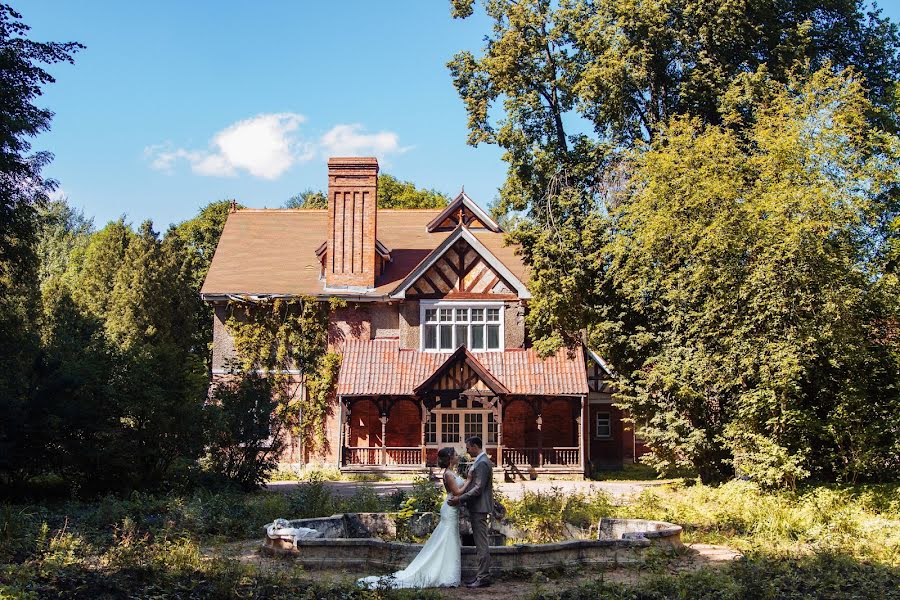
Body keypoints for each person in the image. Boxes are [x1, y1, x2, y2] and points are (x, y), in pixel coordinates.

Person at [357, 447, 470, 589]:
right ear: (449, 458)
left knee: (449, 539)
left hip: (452, 509)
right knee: (447, 538)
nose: (458, 456)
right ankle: (444, 574)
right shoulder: (448, 474)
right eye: (455, 454)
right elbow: (457, 492)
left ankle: (447, 572)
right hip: (450, 508)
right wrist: (469, 481)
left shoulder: (451, 473)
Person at [449, 436, 493, 588]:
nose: (467, 451)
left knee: (481, 544)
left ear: (475, 446)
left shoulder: (482, 463)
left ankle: (483, 577)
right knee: (480, 543)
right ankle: (481, 576)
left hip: (480, 508)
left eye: (468, 448)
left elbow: (479, 488)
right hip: (477, 507)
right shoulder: (481, 461)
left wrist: (460, 499)